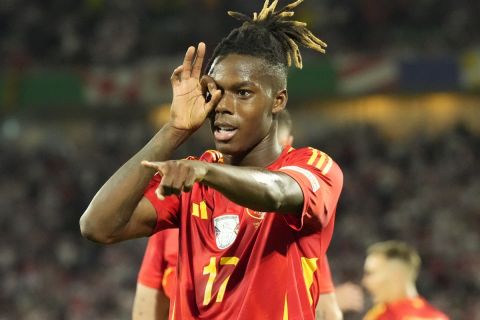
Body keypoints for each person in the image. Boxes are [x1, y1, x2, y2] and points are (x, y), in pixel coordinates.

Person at [80, 0, 343, 318]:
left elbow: (276, 192)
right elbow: (97, 225)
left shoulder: (314, 165)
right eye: (215, 91)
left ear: (278, 101)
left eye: (243, 93)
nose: (223, 105)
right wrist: (174, 130)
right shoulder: (195, 177)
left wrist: (205, 171)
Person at [132, 110, 346, 320]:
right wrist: (174, 131)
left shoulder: (295, 226)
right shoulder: (181, 211)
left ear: (287, 143)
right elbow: (147, 304)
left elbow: (326, 310)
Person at [362, 241, 449, 320]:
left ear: (396, 275)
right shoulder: (376, 314)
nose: (365, 282)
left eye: (370, 273)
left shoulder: (430, 318)